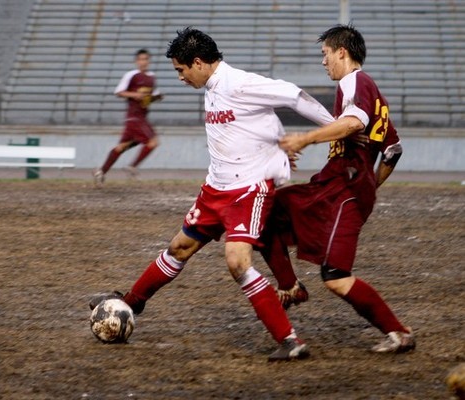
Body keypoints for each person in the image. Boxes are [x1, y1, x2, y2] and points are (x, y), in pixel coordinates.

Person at [90, 27, 335, 361]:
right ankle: (130, 303)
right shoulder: (211, 86)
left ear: (199, 62)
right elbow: (256, 123)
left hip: (247, 191)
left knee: (237, 262)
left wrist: (335, 129)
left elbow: (293, 96)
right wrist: (276, 143)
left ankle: (290, 340)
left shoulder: (239, 82)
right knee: (179, 247)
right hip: (214, 190)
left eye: (180, 70)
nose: (179, 78)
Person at [259, 24, 415, 353]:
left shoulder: (355, 81)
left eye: (325, 54)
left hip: (344, 190)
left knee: (336, 276)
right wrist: (371, 183)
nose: (323, 61)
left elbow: (354, 122)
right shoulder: (369, 91)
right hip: (334, 186)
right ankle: (290, 286)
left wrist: (304, 138)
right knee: (264, 216)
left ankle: (399, 333)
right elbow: (393, 150)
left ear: (341, 51)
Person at [93, 49, 163, 187]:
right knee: (153, 142)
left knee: (122, 147)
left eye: (146, 59)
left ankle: (100, 172)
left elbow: (148, 98)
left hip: (141, 117)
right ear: (136, 61)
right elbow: (118, 92)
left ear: (149, 61)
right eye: (141, 59)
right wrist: (134, 95)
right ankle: (132, 167)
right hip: (135, 117)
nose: (143, 62)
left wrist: (156, 98)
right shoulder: (131, 75)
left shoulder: (151, 77)